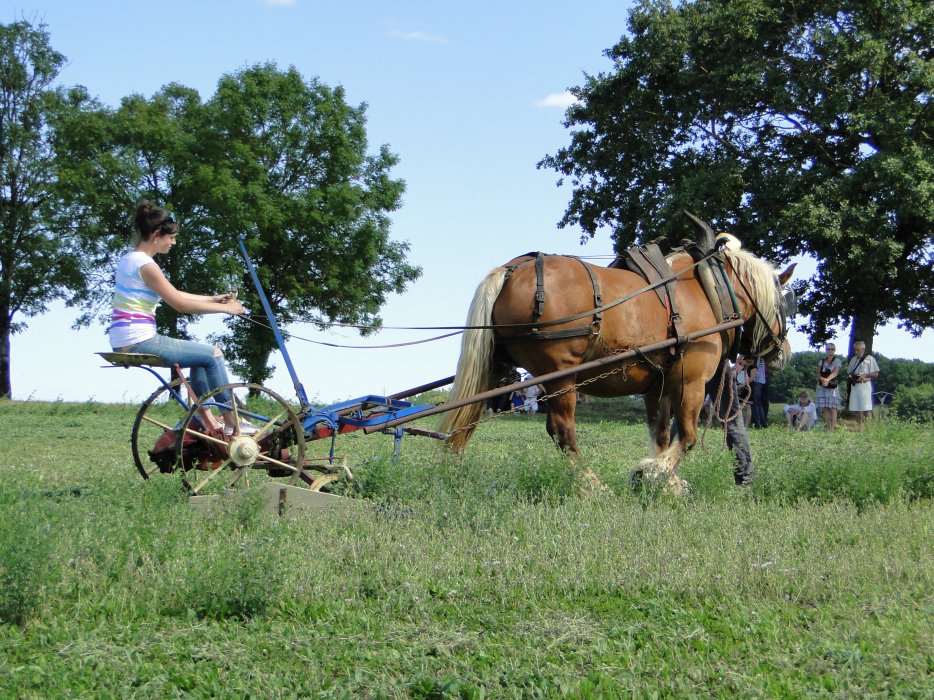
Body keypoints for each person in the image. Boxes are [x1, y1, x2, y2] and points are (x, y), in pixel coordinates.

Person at [109, 201, 255, 435]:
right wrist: (226, 309)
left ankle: (205, 417)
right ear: (157, 235)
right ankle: (232, 422)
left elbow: (173, 293)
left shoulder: (130, 259)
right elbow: (179, 304)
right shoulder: (147, 265)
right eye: (171, 237)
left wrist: (212, 299)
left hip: (124, 337)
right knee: (214, 354)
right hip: (140, 338)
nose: (173, 242)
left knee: (202, 359)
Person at [847, 340, 880, 425]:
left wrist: (865, 375)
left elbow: (875, 374)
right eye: (855, 350)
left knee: (866, 407)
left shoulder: (870, 359)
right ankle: (859, 428)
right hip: (855, 385)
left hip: (864, 385)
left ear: (863, 349)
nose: (856, 352)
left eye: (858, 350)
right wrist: (851, 376)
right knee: (856, 407)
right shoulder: (853, 359)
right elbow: (849, 372)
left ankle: (868, 429)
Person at [816, 342, 842, 430]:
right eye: (828, 349)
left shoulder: (837, 361)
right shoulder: (821, 361)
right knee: (824, 408)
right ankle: (828, 425)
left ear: (835, 350)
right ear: (825, 350)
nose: (830, 351)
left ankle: (832, 427)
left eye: (832, 349)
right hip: (822, 386)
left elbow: (836, 372)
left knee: (832, 408)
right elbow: (818, 373)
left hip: (832, 387)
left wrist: (827, 379)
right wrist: (822, 379)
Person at [733, 354, 752, 428]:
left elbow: (749, 379)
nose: (740, 359)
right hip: (737, 388)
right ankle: (739, 424)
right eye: (739, 358)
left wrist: (740, 386)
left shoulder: (748, 368)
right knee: (738, 406)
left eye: (742, 358)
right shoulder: (736, 367)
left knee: (747, 406)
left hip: (745, 388)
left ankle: (746, 425)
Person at [750, 356, 768, 428]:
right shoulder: (762, 357)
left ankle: (757, 423)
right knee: (758, 403)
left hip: (756, 380)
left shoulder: (756, 356)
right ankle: (763, 422)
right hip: (761, 380)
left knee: (754, 403)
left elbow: (753, 366)